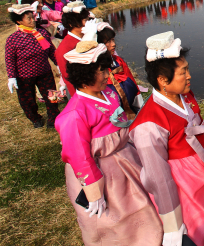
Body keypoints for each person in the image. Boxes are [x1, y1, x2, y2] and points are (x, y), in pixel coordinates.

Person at [55, 26, 163, 245]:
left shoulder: (109, 93)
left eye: (107, 69)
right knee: (114, 217)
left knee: (142, 203)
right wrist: (94, 192)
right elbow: (79, 157)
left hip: (126, 158)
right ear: (84, 75)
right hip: (103, 170)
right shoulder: (75, 114)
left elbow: (120, 120)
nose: (108, 75)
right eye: (102, 71)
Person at [129, 31, 204, 246]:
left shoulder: (185, 96)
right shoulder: (149, 124)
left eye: (188, 69)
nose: (189, 76)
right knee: (202, 227)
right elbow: (158, 178)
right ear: (163, 80)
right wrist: (173, 225)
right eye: (183, 72)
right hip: (186, 186)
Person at [5, 2, 64, 128]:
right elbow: (9, 59)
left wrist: (58, 64)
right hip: (24, 76)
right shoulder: (13, 39)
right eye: (29, 18)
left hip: (44, 71)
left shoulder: (42, 33)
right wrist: (12, 77)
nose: (33, 20)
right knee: (27, 100)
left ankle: (54, 116)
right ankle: (34, 117)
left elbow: (51, 51)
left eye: (33, 17)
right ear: (19, 21)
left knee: (52, 95)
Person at [96, 22, 144, 114]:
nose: (113, 44)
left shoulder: (118, 61)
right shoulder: (97, 69)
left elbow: (132, 82)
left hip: (130, 109)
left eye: (113, 40)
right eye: (108, 42)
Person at [56, 0, 92, 96]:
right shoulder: (64, 48)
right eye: (85, 20)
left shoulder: (88, 38)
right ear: (71, 24)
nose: (88, 23)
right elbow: (68, 78)